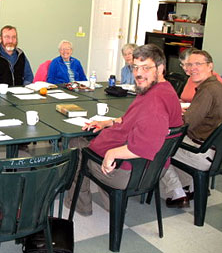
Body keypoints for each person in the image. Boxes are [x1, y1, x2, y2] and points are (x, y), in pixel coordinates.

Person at [65, 44, 183, 215]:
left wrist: (111, 154)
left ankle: (80, 205)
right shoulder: (161, 90)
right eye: (135, 67)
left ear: (160, 68)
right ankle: (112, 204)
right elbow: (133, 120)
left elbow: (144, 147)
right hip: (148, 167)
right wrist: (107, 123)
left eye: (145, 68)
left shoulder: (155, 103)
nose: (138, 73)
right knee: (90, 140)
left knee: (76, 145)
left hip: (130, 170)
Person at [162, 50, 222, 208]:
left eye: (198, 64)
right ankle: (195, 186)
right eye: (189, 64)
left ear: (210, 66)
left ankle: (177, 194)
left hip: (204, 154)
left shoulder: (207, 91)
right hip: (220, 152)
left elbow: (185, 124)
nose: (192, 68)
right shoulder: (217, 86)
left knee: (158, 146)